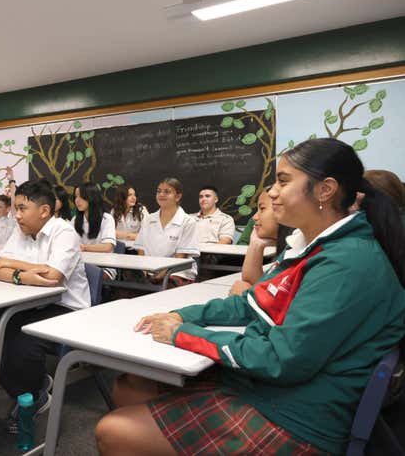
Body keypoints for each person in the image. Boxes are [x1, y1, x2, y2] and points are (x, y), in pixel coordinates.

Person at [95, 138, 405, 456]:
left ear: (325, 190)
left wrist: (181, 334)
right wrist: (184, 316)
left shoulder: (347, 261)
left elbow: (281, 359)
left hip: (298, 417)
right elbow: (249, 301)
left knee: (112, 430)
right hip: (273, 389)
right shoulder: (313, 248)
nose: (271, 192)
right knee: (130, 386)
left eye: (283, 181)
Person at [0, 178, 90, 433]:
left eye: (22, 208)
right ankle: (34, 386)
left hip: (66, 308)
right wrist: (27, 271)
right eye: (15, 208)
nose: (17, 215)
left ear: (44, 211)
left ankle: (35, 396)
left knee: (19, 341)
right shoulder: (20, 230)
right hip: (30, 303)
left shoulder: (63, 232)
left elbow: (52, 278)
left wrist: (14, 267)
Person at [132, 178, 199, 285]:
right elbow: (141, 249)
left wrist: (161, 275)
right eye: (159, 191)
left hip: (177, 272)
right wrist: (143, 270)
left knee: (164, 288)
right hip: (150, 270)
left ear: (178, 196)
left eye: (167, 192)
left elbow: (181, 256)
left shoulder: (188, 222)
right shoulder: (148, 219)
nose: (161, 194)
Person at [228, 189, 293, 296]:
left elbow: (279, 302)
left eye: (262, 208)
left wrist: (248, 295)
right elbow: (254, 283)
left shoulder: (302, 251)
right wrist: (255, 244)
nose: (255, 217)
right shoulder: (287, 249)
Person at [73, 182, 116, 253]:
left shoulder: (106, 218)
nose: (77, 200)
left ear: (92, 197)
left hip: (101, 262)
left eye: (81, 196)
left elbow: (107, 247)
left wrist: (84, 248)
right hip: (82, 260)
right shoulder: (75, 219)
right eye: (75, 196)